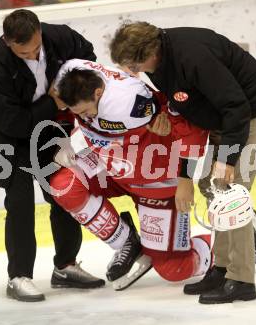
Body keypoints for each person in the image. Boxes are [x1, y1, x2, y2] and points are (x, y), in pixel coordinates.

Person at [110, 22, 256, 303]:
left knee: (232, 194)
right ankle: (223, 267)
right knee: (211, 186)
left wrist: (227, 159)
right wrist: (184, 175)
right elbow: (188, 124)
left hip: (251, 110)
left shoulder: (193, 58)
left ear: (149, 53)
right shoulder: (161, 64)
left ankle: (242, 280)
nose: (132, 71)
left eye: (132, 64)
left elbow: (236, 107)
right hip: (223, 116)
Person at [0, 9, 104, 302]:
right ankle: (18, 276)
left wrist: (73, 88)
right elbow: (12, 123)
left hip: (42, 132)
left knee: (66, 186)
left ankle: (66, 266)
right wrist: (54, 101)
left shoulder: (61, 38)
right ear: (8, 43)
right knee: (19, 195)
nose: (31, 55)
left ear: (40, 33)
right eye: (22, 52)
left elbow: (88, 58)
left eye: (34, 48)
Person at [48, 59, 213, 290]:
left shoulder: (129, 102)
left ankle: (229, 242)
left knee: (176, 269)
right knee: (63, 185)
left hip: (154, 175)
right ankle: (127, 242)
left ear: (98, 92)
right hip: (110, 164)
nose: (84, 117)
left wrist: (185, 179)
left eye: (85, 111)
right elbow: (63, 83)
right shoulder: (72, 72)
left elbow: (187, 121)